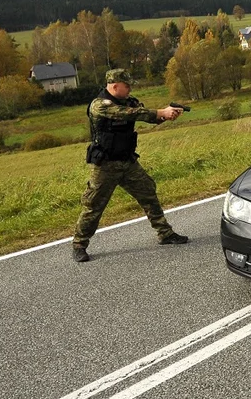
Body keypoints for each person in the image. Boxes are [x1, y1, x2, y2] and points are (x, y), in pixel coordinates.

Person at [71, 69, 188, 262]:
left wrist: (165, 116)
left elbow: (141, 116)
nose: (130, 89)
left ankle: (165, 233)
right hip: (105, 166)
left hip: (127, 162)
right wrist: (159, 112)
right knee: (93, 205)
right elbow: (126, 114)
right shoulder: (100, 105)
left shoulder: (129, 102)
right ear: (115, 85)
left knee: (148, 192)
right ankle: (79, 244)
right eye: (127, 85)